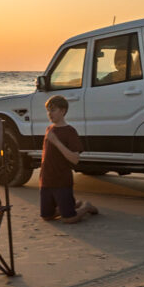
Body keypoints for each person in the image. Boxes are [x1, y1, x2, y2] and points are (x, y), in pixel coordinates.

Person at [40, 95, 97, 223]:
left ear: (63, 111)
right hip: (46, 180)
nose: (49, 114)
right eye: (48, 110)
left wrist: (56, 142)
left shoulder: (70, 131)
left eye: (53, 110)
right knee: (46, 216)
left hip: (61, 181)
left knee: (69, 219)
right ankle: (71, 205)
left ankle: (86, 206)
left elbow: (75, 159)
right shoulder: (49, 129)